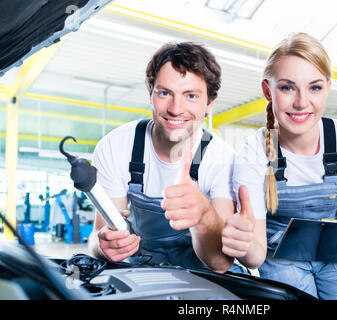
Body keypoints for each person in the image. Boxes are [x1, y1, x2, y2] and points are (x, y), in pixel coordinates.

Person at [233, 32, 337, 299]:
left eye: (314, 87)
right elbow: (254, 253)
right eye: (287, 87)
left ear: (327, 87)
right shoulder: (254, 152)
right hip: (279, 257)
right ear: (268, 90)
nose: (302, 102)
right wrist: (241, 243)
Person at [88, 41, 253, 273]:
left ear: (209, 103)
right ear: (150, 95)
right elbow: (98, 234)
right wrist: (103, 246)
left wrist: (203, 214)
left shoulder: (223, 159)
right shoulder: (114, 147)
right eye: (165, 93)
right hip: (142, 268)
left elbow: (220, 263)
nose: (176, 108)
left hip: (202, 272)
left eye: (191, 96)